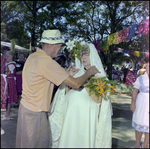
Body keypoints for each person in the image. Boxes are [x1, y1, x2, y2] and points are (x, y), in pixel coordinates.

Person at [15, 29, 99, 148]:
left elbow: (43, 77)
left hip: (25, 109)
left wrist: (66, 73)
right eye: (59, 46)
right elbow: (75, 84)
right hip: (35, 115)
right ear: (51, 45)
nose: (60, 49)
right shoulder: (47, 62)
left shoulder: (33, 56)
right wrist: (89, 73)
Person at [49, 41, 112, 148]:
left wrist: (84, 81)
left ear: (92, 55)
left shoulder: (100, 76)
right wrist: (69, 79)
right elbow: (65, 93)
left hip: (85, 118)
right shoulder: (76, 72)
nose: (84, 57)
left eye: (87, 55)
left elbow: (97, 100)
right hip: (70, 117)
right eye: (82, 55)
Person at [130, 57, 149, 148]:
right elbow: (135, 91)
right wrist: (132, 103)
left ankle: (145, 145)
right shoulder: (141, 78)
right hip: (141, 103)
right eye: (148, 66)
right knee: (139, 121)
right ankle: (137, 144)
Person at [1, 51, 18, 120]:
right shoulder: (9, 64)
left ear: (11, 57)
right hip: (9, 81)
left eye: (8, 56)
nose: (6, 57)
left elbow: (7, 73)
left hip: (10, 82)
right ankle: (9, 112)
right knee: (8, 97)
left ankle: (7, 115)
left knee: (8, 98)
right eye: (6, 56)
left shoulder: (11, 64)